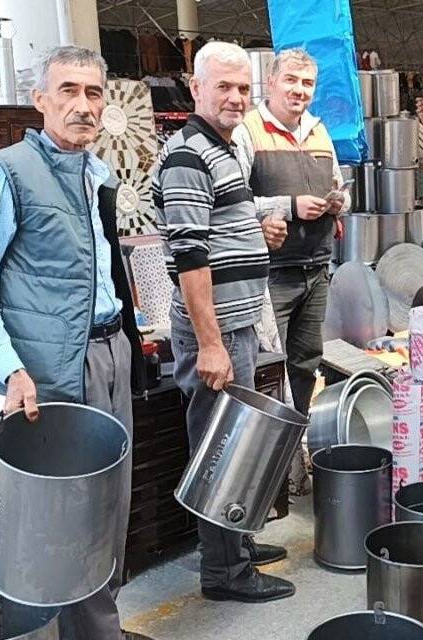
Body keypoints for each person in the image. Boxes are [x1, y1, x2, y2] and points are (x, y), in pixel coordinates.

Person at [0, 46, 150, 640]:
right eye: (67, 91)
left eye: (93, 93)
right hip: (53, 371)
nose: (82, 106)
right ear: (40, 101)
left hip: (109, 354)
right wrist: (11, 369)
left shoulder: (96, 174)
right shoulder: (9, 174)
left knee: (111, 503)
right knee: (72, 519)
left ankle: (100, 627)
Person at [153, 41, 294, 604]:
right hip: (213, 334)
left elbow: (213, 234)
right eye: (224, 87)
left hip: (235, 326)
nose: (236, 97)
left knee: (233, 443)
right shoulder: (187, 154)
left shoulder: (224, 147)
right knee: (219, 448)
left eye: (243, 88)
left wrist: (255, 233)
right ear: (196, 88)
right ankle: (224, 573)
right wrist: (211, 344)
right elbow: (189, 258)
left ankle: (233, 546)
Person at [234, 47, 343, 417]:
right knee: (269, 365)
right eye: (291, 81)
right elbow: (232, 203)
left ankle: (298, 438)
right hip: (272, 275)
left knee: (306, 362)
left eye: (308, 83)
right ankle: (276, 457)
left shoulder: (319, 131)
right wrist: (289, 206)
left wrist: (338, 202)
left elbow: (336, 182)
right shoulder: (247, 131)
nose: (300, 90)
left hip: (316, 271)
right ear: (272, 82)